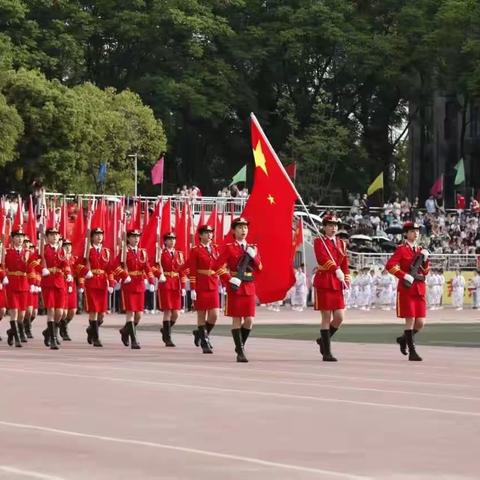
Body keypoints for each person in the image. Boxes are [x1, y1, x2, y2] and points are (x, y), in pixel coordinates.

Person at [215, 217, 262, 363]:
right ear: (234, 231)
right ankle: (240, 351)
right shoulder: (229, 247)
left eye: (245, 228)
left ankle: (240, 345)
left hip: (249, 285)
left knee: (249, 320)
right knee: (237, 319)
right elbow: (216, 266)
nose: (243, 230)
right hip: (235, 285)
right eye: (240, 228)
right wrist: (228, 278)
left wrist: (254, 257)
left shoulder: (252, 247)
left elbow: (260, 268)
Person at [386, 221, 430, 361]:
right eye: (412, 231)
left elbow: (426, 272)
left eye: (417, 231)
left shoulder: (420, 249)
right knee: (410, 320)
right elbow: (390, 266)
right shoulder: (401, 249)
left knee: (420, 322)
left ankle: (403, 339)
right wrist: (404, 275)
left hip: (419, 288)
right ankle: (412, 351)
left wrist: (426, 260)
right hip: (407, 288)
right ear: (406, 234)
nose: (415, 233)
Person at [313, 215, 350, 362]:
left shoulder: (342, 243)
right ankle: (326, 352)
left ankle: (323, 340)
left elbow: (345, 262)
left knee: (340, 317)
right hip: (325, 280)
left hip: (337, 282)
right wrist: (335, 268)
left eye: (335, 225)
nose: (333, 228)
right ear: (324, 227)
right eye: (330, 225)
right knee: (326, 317)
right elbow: (322, 258)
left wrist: (347, 278)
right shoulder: (319, 241)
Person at [113, 229, 155, 349]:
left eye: (137, 237)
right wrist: (124, 275)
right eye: (133, 237)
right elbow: (114, 266)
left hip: (139, 284)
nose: (136, 239)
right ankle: (134, 340)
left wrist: (151, 280)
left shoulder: (143, 252)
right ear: (128, 239)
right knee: (130, 313)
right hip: (129, 284)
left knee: (139, 315)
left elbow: (147, 267)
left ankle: (125, 331)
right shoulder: (124, 252)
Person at [77, 227, 115, 347]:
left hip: (103, 283)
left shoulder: (106, 252)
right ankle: (96, 337)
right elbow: (77, 265)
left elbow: (110, 269)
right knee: (93, 311)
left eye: (101, 235)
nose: (99, 237)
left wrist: (111, 282)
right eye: (97, 235)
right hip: (91, 282)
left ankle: (91, 330)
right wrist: (85, 272)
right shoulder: (87, 250)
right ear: (92, 237)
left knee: (102, 313)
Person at [188, 225, 221, 354]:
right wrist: (193, 289)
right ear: (200, 235)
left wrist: (223, 282)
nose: (209, 235)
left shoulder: (215, 248)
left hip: (213, 283)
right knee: (201, 315)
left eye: (210, 233)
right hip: (201, 284)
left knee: (214, 315)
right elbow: (192, 270)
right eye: (206, 233)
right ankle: (204, 342)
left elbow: (220, 265)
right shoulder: (195, 250)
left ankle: (200, 334)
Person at [40, 227, 71, 350]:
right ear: (47, 237)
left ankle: (48, 331)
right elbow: (35, 262)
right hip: (48, 282)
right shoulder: (43, 248)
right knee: (51, 311)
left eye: (56, 235)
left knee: (61, 313)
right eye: (51, 235)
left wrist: (68, 274)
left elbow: (65, 264)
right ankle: (53, 338)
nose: (54, 237)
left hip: (60, 281)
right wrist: (42, 268)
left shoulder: (61, 250)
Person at [154, 232, 186, 347]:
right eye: (169, 239)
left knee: (176, 313)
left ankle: (165, 329)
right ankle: (168, 338)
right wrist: (159, 274)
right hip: (166, 282)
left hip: (176, 284)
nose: (172, 241)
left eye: (173, 239)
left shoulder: (180, 254)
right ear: (165, 241)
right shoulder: (161, 253)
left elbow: (182, 270)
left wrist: (183, 286)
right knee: (168, 311)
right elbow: (154, 266)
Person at [4, 229, 32, 347]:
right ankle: (17, 338)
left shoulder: (28, 252)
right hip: (12, 284)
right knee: (14, 312)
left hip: (24, 284)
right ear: (13, 239)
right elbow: (2, 266)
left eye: (22, 237)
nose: (20, 239)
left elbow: (32, 268)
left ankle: (11, 332)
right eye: (17, 237)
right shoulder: (7, 252)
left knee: (22, 315)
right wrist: (3, 276)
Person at [59, 239, 77, 341]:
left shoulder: (74, 258)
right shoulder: (60, 257)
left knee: (72, 311)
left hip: (72, 285)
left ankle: (62, 325)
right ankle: (63, 329)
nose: (68, 247)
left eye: (69, 245)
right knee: (64, 312)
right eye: (65, 245)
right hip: (63, 284)